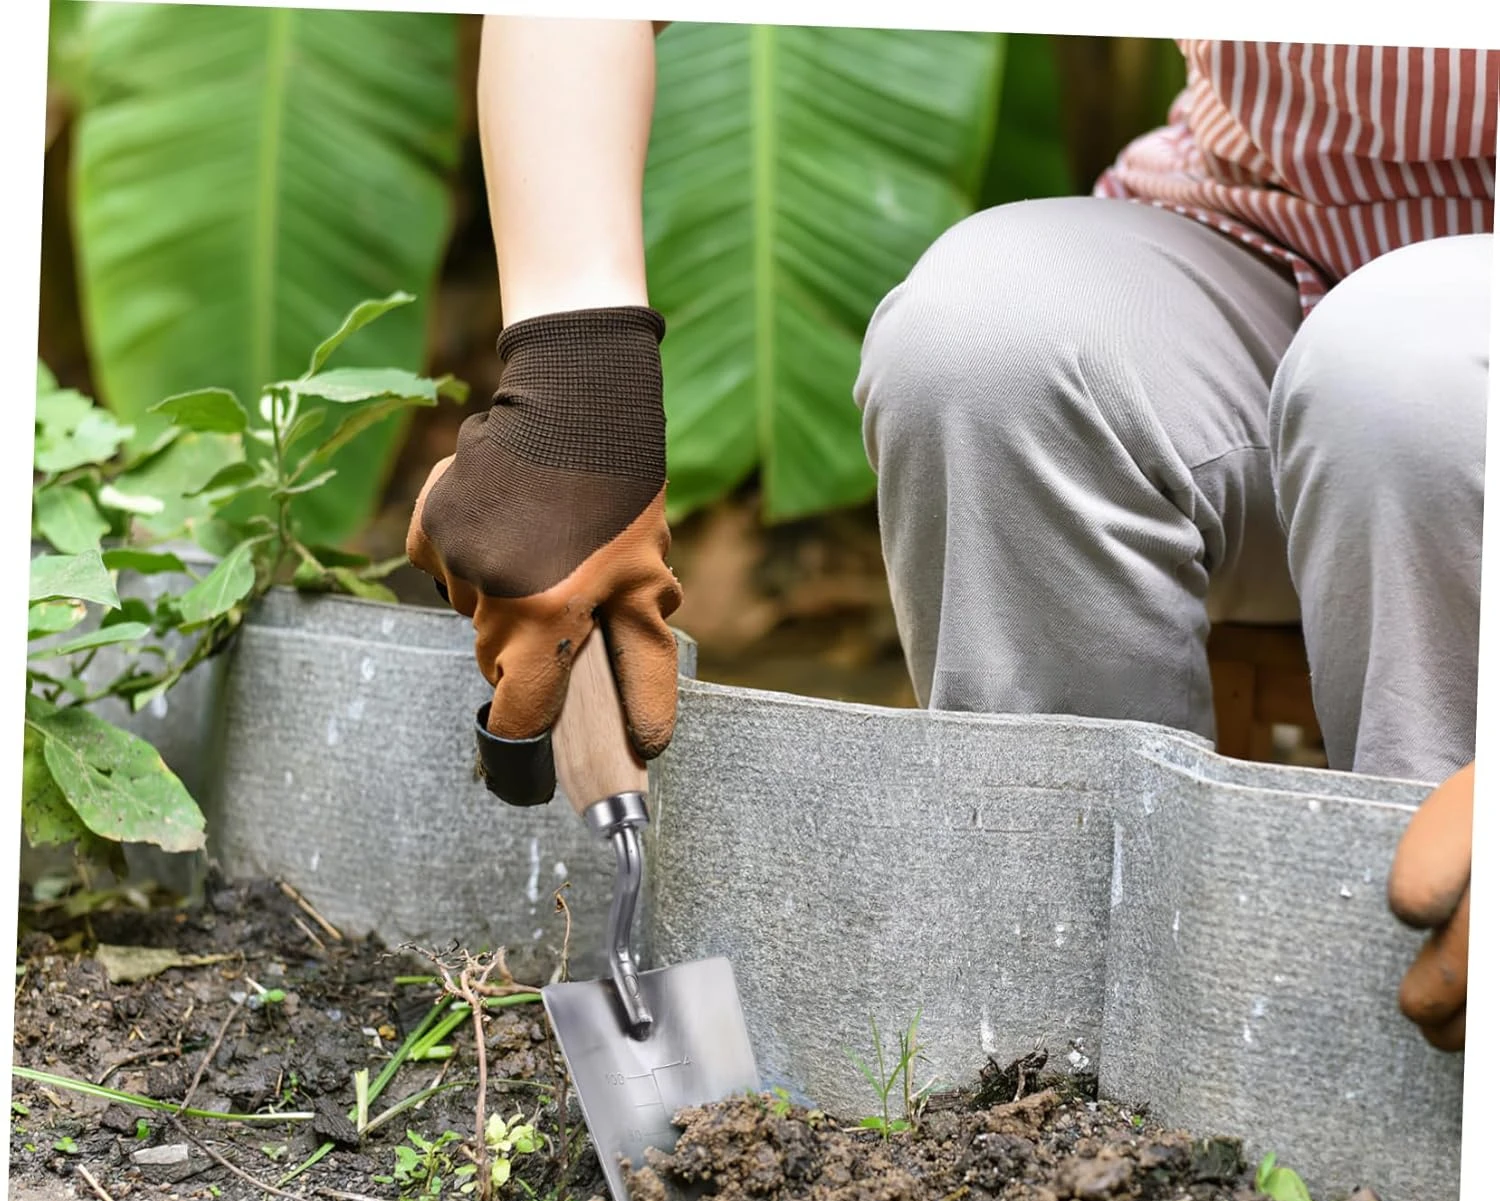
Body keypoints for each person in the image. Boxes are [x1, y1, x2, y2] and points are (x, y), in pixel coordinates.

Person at [406, 21, 1492, 1053]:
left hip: (1432, 350)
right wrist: (575, 391)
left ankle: (1399, 1089)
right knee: (982, 353)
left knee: (1402, 382)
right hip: (1255, 224)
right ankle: (1052, 1067)